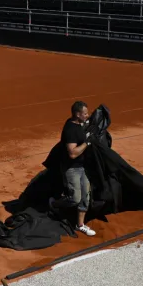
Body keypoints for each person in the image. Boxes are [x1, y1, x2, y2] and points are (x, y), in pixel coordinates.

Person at [50, 101, 96, 237]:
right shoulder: (70, 130)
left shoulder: (79, 124)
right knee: (75, 198)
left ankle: (80, 225)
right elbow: (73, 153)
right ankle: (54, 204)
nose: (87, 116)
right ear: (77, 114)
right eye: (85, 114)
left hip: (83, 167)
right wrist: (87, 143)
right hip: (72, 168)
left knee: (85, 197)